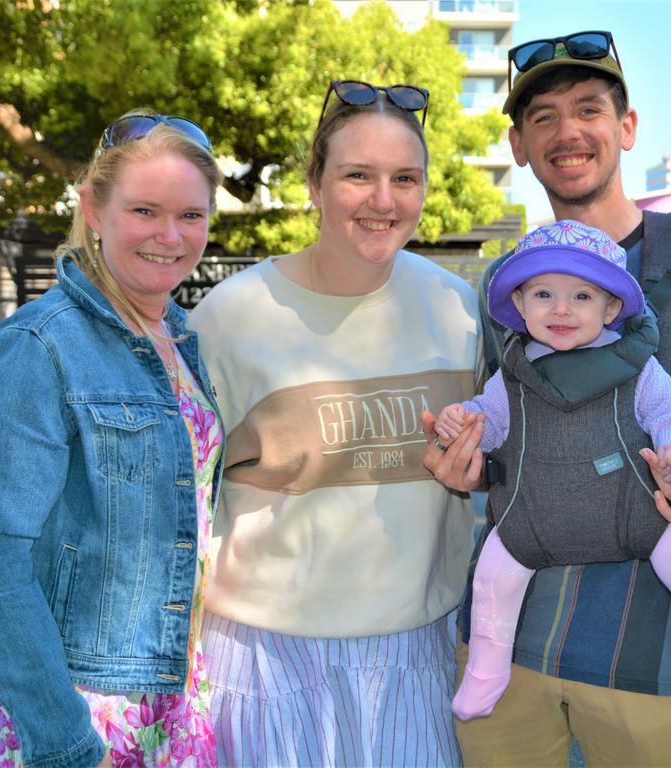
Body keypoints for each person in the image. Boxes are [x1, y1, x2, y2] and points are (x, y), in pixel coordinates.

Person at [422, 31, 671, 766]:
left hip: (648, 652)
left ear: (625, 127)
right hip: (508, 651)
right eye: (543, 118)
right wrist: (462, 459)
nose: (568, 132)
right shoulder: (503, 283)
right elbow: (498, 432)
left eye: (589, 109)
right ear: (519, 145)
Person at [187, 79, 482, 767]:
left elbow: (495, 457)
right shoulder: (231, 316)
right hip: (265, 655)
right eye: (358, 176)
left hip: (413, 650)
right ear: (314, 185)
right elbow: (180, 492)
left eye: (404, 178)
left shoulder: (457, 307)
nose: (384, 200)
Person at [0, 110, 225, 768]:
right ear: (94, 210)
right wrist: (66, 743)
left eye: (191, 215)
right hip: (74, 708)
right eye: (145, 211)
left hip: (173, 693)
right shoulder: (37, 347)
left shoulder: (182, 337)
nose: (170, 235)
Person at [434, 219, 671, 722]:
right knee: (494, 582)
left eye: (582, 296)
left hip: (634, 513)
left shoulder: (635, 364)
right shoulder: (511, 373)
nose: (561, 308)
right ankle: (485, 675)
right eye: (543, 293)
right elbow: (489, 426)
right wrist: (462, 424)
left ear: (610, 309)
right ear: (518, 304)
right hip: (530, 525)